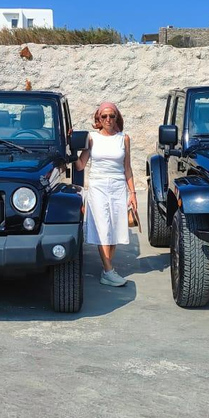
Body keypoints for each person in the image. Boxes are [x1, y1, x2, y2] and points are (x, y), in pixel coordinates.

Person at [75, 102, 137, 287]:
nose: (108, 120)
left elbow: (127, 168)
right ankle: (109, 270)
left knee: (115, 227)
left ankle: (107, 268)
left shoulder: (123, 138)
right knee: (103, 226)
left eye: (112, 116)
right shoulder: (92, 138)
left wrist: (132, 193)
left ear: (117, 118)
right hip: (98, 186)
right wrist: (70, 145)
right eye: (104, 116)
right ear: (98, 119)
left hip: (118, 185)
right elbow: (80, 165)